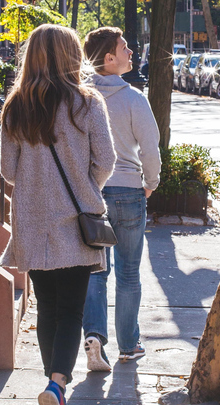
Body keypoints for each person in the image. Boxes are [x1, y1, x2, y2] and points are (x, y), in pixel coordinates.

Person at [0, 24, 117, 405]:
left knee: (48, 308)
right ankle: (57, 385)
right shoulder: (86, 102)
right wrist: (85, 187)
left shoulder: (16, 106)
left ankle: (54, 386)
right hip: (75, 219)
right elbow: (106, 159)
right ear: (71, 55)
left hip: (31, 220)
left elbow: (7, 171)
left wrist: (37, 182)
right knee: (72, 310)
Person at [81, 27, 161, 369]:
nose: (131, 51)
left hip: (92, 191)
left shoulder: (80, 98)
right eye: (125, 47)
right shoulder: (133, 98)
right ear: (109, 58)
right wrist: (151, 183)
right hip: (129, 190)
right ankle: (129, 344)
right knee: (129, 273)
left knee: (96, 270)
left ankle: (95, 337)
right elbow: (151, 148)